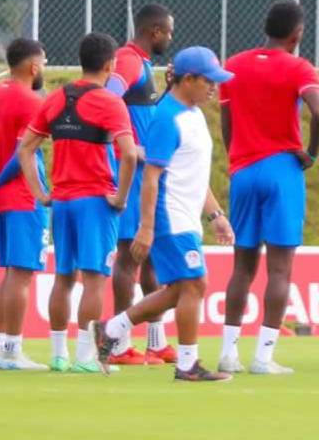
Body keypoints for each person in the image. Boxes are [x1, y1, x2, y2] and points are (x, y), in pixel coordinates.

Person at [96, 46, 236, 381]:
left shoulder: (194, 115)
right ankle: (188, 364)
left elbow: (193, 173)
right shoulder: (167, 118)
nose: (214, 87)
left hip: (187, 216)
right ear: (188, 80)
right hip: (170, 216)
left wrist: (215, 214)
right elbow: (151, 177)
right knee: (196, 283)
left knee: (179, 290)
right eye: (208, 81)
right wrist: (146, 227)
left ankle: (110, 330)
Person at [217, 1, 319, 375]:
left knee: (242, 268)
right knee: (280, 269)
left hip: (244, 170)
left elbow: (227, 119)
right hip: (283, 170)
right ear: (297, 34)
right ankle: (263, 358)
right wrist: (311, 153)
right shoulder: (299, 67)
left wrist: (235, 158)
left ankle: (228, 353)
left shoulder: (233, 65)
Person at [18, 32, 139, 373]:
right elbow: (129, 154)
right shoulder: (110, 102)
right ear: (110, 65)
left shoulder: (57, 97)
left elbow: (25, 148)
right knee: (95, 279)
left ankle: (59, 355)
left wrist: (41, 192)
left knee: (64, 277)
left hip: (62, 200)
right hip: (95, 201)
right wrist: (121, 197)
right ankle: (86, 357)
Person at [0, 38, 49, 370]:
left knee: (10, 274)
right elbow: (23, 153)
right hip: (24, 197)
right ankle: (12, 350)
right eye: (44, 63)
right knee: (22, 274)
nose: (44, 69)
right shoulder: (31, 102)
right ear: (33, 66)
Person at [105, 3, 176, 366]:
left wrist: (168, 91)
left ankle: (156, 343)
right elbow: (107, 100)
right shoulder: (128, 60)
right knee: (129, 256)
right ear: (155, 31)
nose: (171, 38)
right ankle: (118, 345)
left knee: (150, 256)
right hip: (129, 174)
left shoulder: (142, 64)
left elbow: (139, 114)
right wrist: (130, 146)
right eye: (169, 32)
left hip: (148, 173)